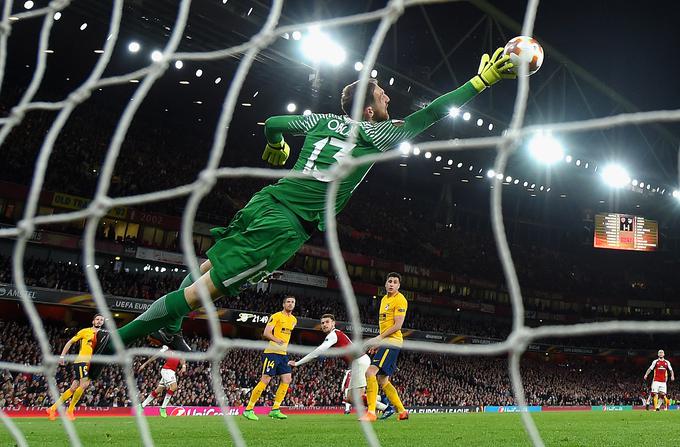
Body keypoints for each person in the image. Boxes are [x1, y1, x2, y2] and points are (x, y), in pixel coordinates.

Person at [87, 48, 516, 378]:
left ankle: (170, 326)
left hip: (266, 200)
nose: (389, 100)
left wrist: (276, 147)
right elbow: (431, 114)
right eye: (383, 97)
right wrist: (482, 80)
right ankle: (116, 344)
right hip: (283, 225)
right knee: (203, 293)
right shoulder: (376, 133)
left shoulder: (323, 121)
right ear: (368, 111)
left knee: (208, 265)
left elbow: (274, 122)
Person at [287, 313, 389, 415]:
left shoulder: (333, 335)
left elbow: (316, 352)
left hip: (359, 361)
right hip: (357, 362)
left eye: (327, 322)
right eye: (322, 323)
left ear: (333, 323)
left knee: (357, 397)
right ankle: (381, 398)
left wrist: (297, 363)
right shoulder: (335, 335)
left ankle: (386, 408)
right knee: (349, 398)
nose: (324, 325)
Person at [360, 272, 408, 422]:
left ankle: (371, 412)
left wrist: (378, 339)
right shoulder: (384, 299)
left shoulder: (400, 300)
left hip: (392, 341)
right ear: (386, 284)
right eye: (390, 281)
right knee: (383, 381)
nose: (392, 284)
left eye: (395, 282)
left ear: (399, 285)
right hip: (385, 342)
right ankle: (402, 411)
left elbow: (398, 325)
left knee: (370, 372)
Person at [242, 295, 297, 421]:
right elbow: (266, 332)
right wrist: (277, 340)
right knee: (265, 380)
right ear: (283, 304)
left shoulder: (294, 320)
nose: (290, 304)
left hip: (283, 354)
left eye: (292, 302)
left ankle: (275, 409)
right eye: (288, 302)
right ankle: (249, 409)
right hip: (272, 352)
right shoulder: (276, 316)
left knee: (287, 379)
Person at [47, 314, 104, 421]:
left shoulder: (103, 335)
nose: (99, 321)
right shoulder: (85, 331)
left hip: (91, 364)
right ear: (93, 321)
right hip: (82, 361)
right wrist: (62, 355)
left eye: (101, 320)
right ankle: (70, 411)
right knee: (84, 384)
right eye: (97, 319)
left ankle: (52, 408)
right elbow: (70, 342)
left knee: (74, 388)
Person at [137, 345, 187, 418]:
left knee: (158, 390)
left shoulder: (178, 348)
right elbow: (155, 356)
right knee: (174, 387)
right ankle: (163, 408)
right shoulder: (166, 348)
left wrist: (183, 366)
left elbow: (182, 359)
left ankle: (142, 406)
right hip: (166, 370)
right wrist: (144, 364)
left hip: (171, 372)